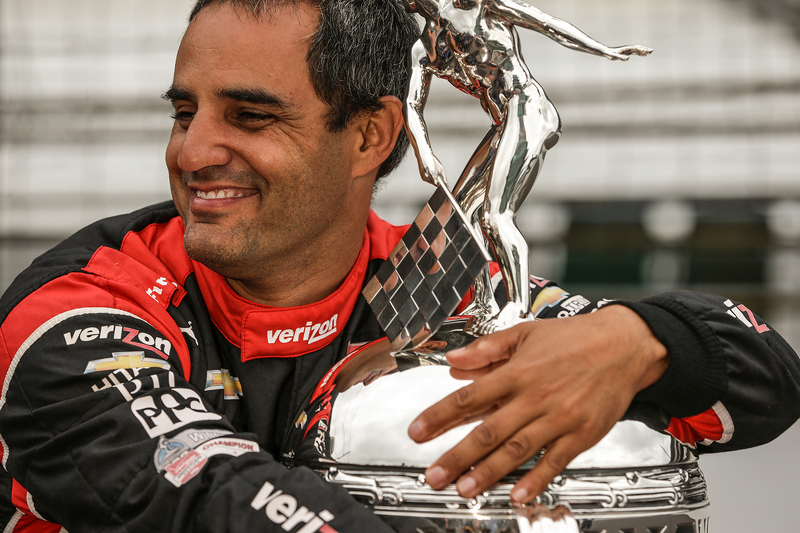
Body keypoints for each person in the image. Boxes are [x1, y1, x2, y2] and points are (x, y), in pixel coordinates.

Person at [0, 1, 797, 532]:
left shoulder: (442, 286)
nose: (193, 151)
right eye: (184, 112)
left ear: (371, 137)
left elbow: (768, 379)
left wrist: (636, 343)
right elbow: (205, 499)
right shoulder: (77, 307)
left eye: (249, 116)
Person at [402, 0, 650, 332]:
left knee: (494, 216)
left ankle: (519, 307)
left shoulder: (481, 7)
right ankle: (484, 303)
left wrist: (605, 50)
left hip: (527, 108)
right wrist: (424, 154)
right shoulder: (425, 48)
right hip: (501, 123)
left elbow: (547, 23)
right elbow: (412, 104)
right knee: (461, 216)